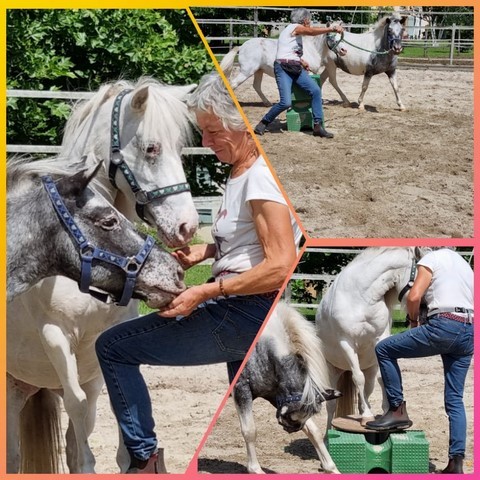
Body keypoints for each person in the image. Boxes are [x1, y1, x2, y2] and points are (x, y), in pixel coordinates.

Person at [95, 71, 302, 474]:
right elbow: (251, 247)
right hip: (240, 304)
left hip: (241, 310)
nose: (204, 143)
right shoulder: (244, 170)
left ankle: (144, 458)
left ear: (241, 123)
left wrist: (204, 292)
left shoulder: (260, 178)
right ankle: (297, 400)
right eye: (202, 132)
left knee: (113, 348)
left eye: (211, 131)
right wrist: (206, 253)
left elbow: (279, 265)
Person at [366, 247, 473, 474]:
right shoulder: (465, 266)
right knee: (455, 400)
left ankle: (396, 410)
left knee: (384, 349)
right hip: (469, 331)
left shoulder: (430, 259)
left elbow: (414, 296)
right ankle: (456, 463)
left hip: (444, 324)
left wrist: (413, 321)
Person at [253, 8, 344, 138]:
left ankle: (318, 126)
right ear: (305, 20)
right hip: (283, 68)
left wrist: (301, 61)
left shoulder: (290, 32)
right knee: (286, 102)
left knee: (316, 91)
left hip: (295, 67)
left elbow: (287, 51)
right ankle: (263, 123)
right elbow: (311, 32)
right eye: (310, 20)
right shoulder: (294, 27)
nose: (310, 23)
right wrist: (332, 29)